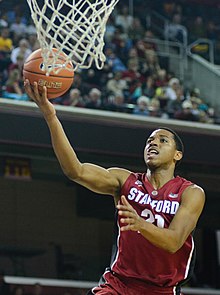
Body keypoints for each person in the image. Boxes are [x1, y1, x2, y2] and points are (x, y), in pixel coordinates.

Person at [24, 81, 205, 295]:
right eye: (149, 141)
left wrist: (141, 224)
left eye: (162, 140)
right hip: (119, 285)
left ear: (177, 155)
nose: (153, 143)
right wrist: (50, 116)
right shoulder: (124, 180)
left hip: (162, 290)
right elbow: (76, 171)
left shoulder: (191, 192)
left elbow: (174, 242)